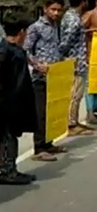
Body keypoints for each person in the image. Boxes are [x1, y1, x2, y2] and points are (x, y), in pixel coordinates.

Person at [24, 0, 67, 162]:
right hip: (40, 77)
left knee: (52, 110)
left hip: (55, 75)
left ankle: (49, 143)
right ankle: (39, 147)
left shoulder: (57, 26)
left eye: (58, 10)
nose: (56, 13)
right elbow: (26, 49)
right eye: (53, 9)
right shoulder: (36, 27)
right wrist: (37, 65)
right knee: (40, 113)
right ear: (45, 9)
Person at [0, 14, 38, 184]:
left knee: (8, 135)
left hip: (10, 101)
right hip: (9, 102)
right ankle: (7, 171)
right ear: (22, 32)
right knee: (8, 137)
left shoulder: (9, 49)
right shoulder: (10, 53)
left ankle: (8, 168)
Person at [59, 0, 94, 136]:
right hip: (75, 60)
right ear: (83, 2)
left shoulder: (70, 16)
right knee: (75, 93)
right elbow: (66, 41)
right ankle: (71, 123)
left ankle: (74, 120)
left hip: (76, 59)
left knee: (77, 93)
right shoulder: (73, 19)